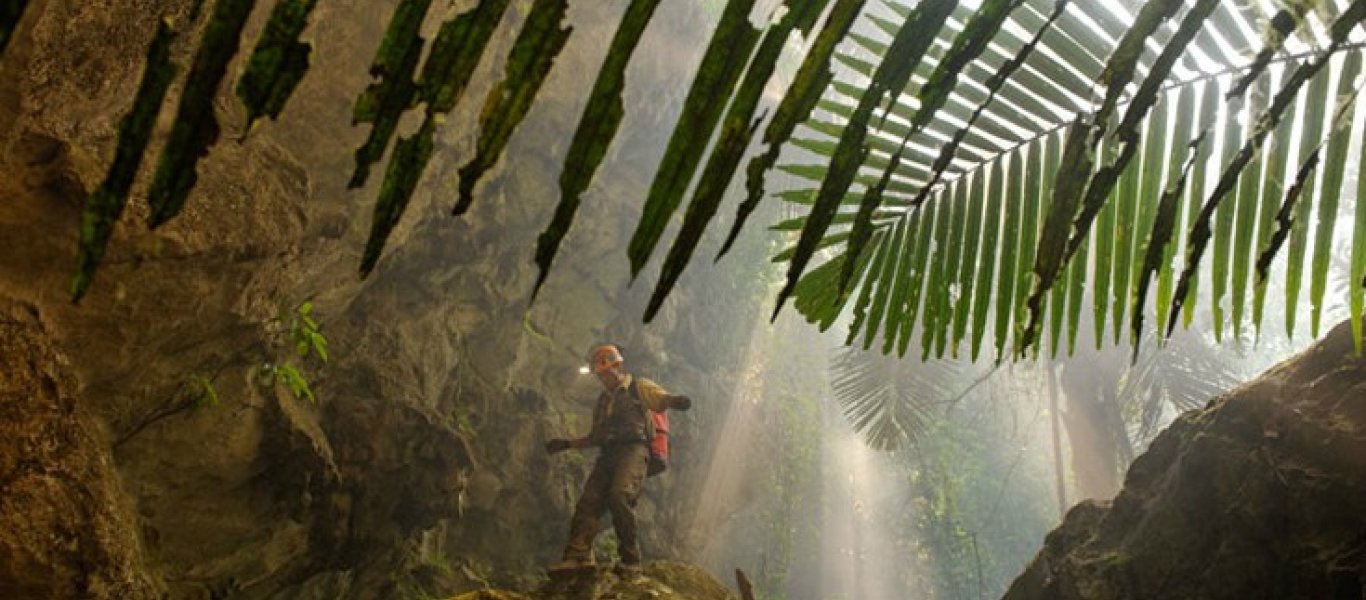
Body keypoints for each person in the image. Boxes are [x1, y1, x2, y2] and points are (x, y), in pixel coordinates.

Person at [545, 343, 691, 575]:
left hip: (634, 450)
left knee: (619, 495)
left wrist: (674, 401)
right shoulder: (603, 402)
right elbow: (596, 436)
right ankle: (578, 556)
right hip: (608, 454)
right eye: (601, 374)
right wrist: (567, 445)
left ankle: (630, 560)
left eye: (608, 371)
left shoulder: (637, 387)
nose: (605, 377)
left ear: (618, 366)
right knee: (589, 501)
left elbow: (658, 398)